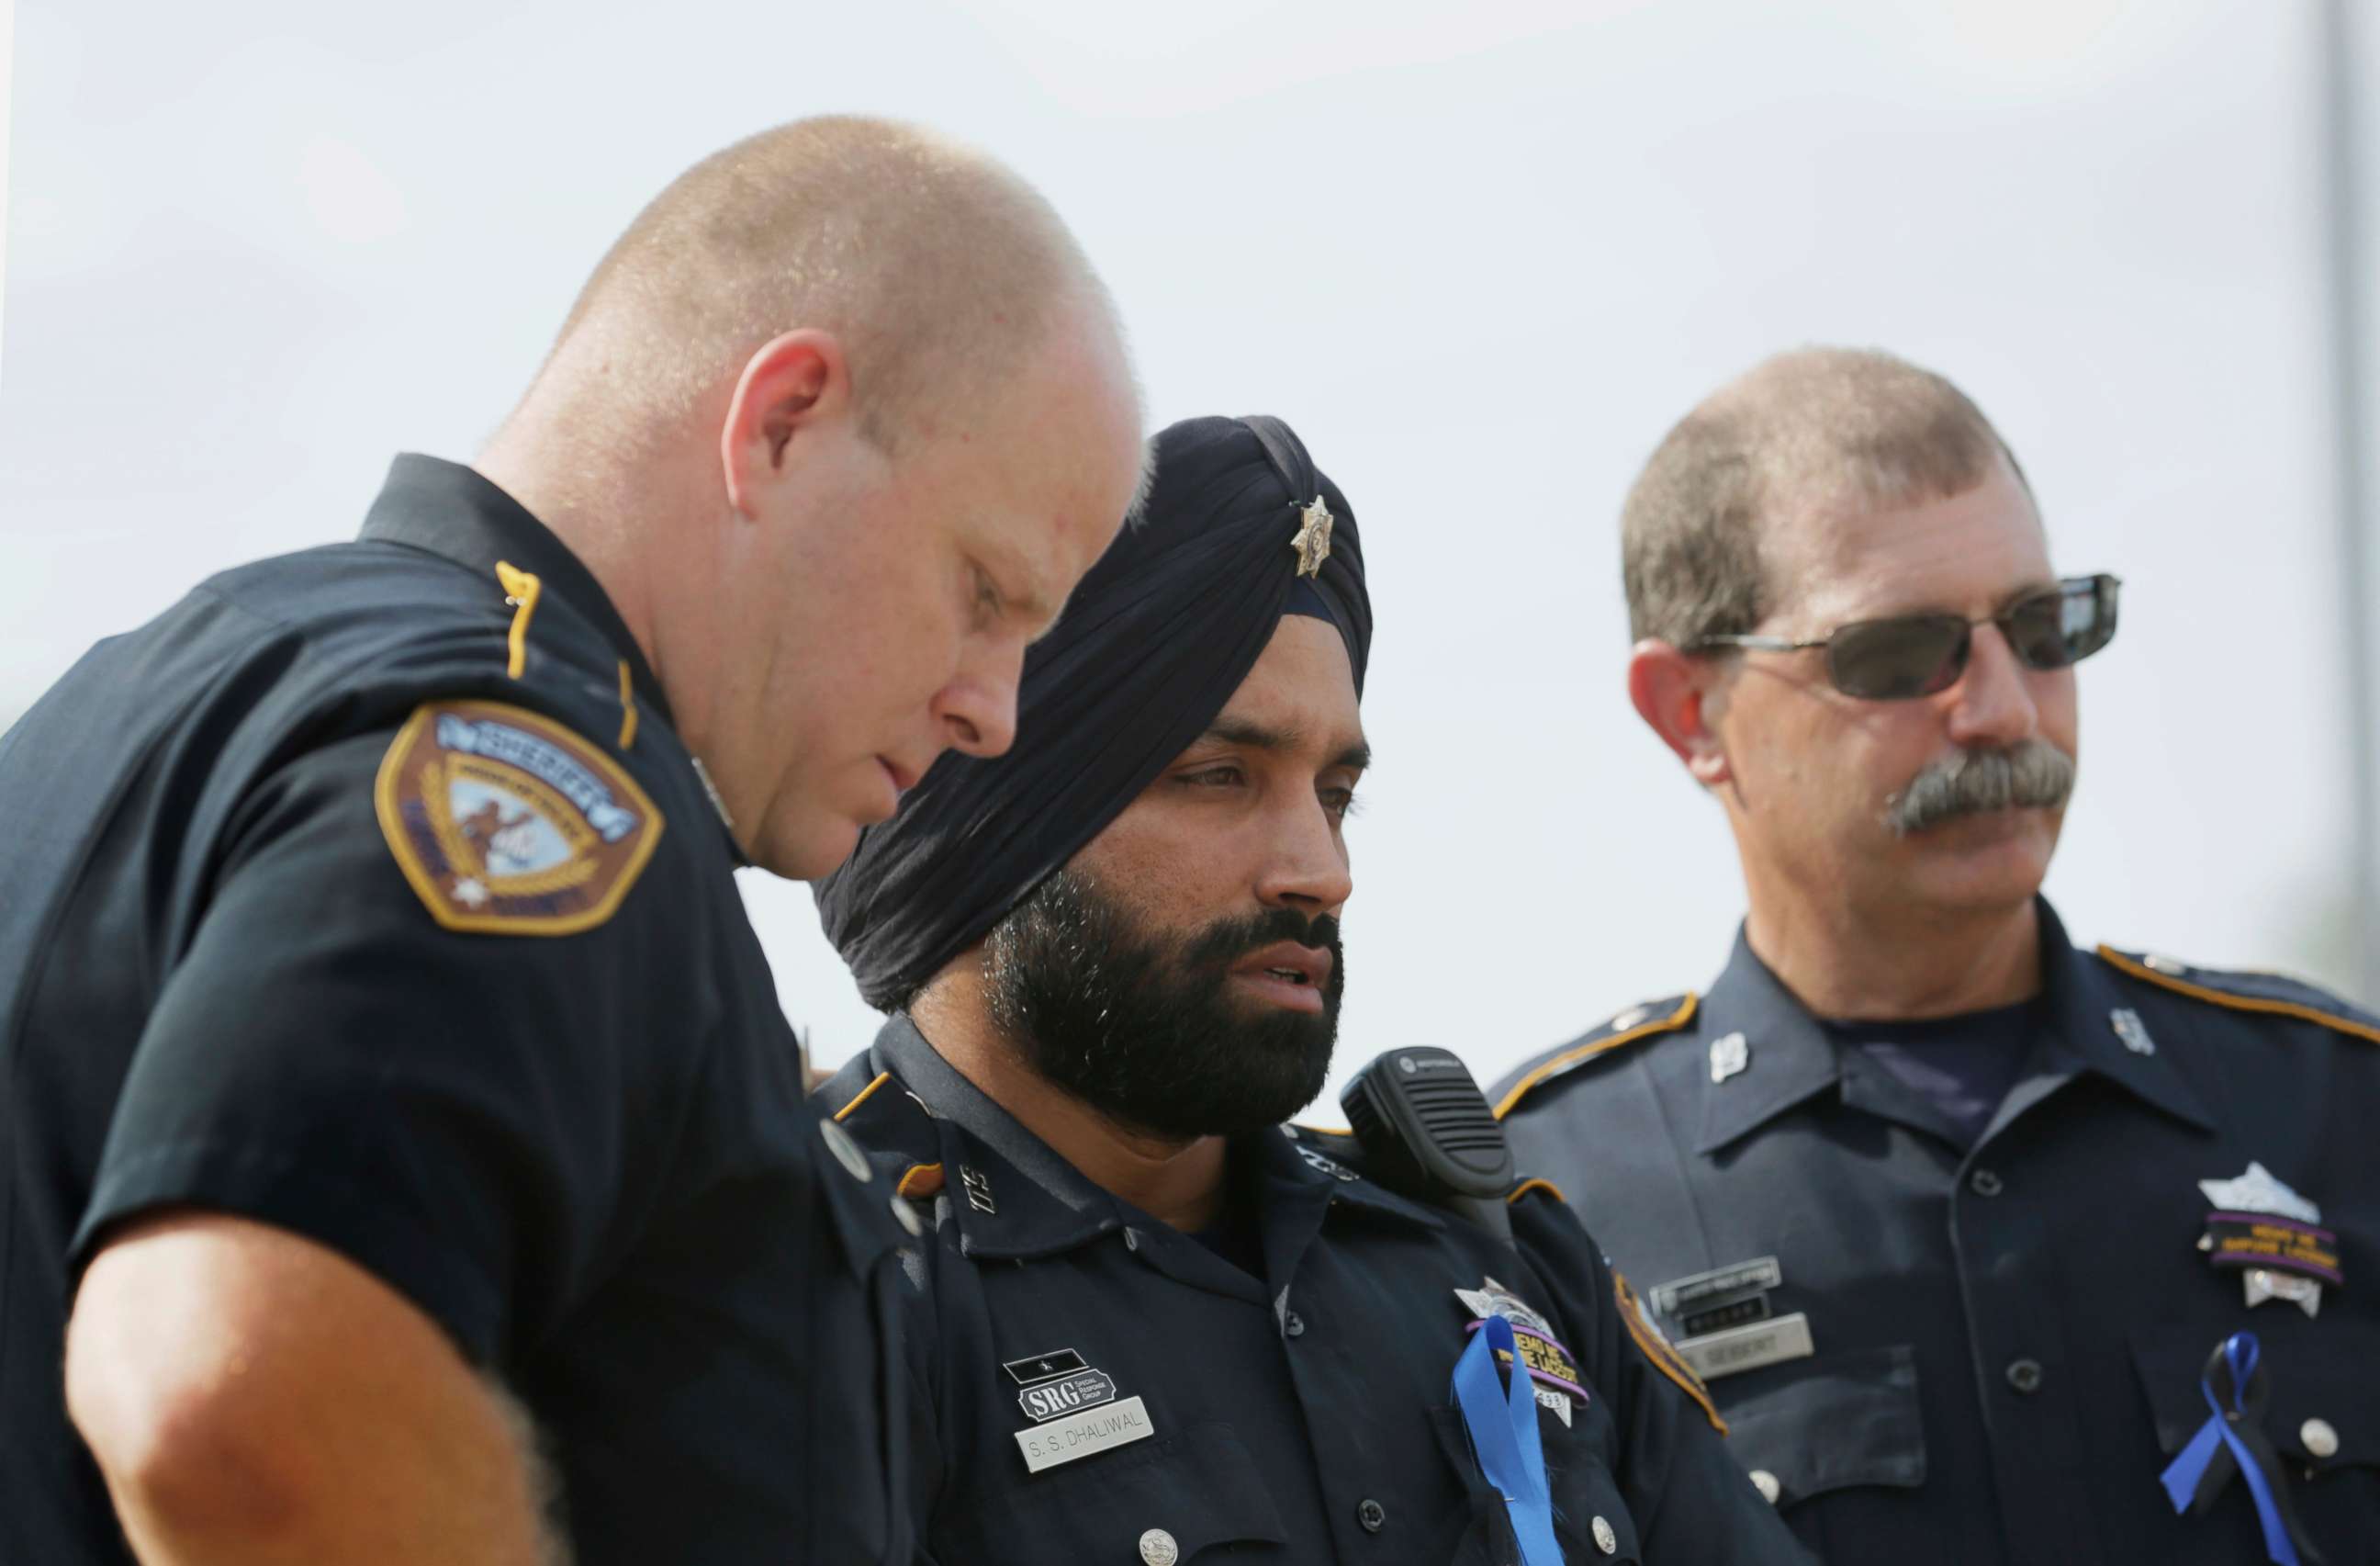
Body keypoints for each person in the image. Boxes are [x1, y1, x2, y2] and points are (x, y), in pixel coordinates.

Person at [0, 116, 1146, 1566]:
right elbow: (235, 1391)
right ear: (782, 419)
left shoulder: (162, 693)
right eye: (986, 591)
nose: (997, 711)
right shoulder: (536, 774)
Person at [813, 413, 1807, 1566]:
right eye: (1219, 776)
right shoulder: (821, 1293)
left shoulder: (1498, 1259)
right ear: (1000, 823)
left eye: (1335, 793)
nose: (1322, 873)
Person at [1493, 347, 2380, 1564]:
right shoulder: (1542, 1210)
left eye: (2044, 625)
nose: (2004, 708)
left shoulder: (2332, 1106)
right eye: (1902, 655)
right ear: (1692, 713)